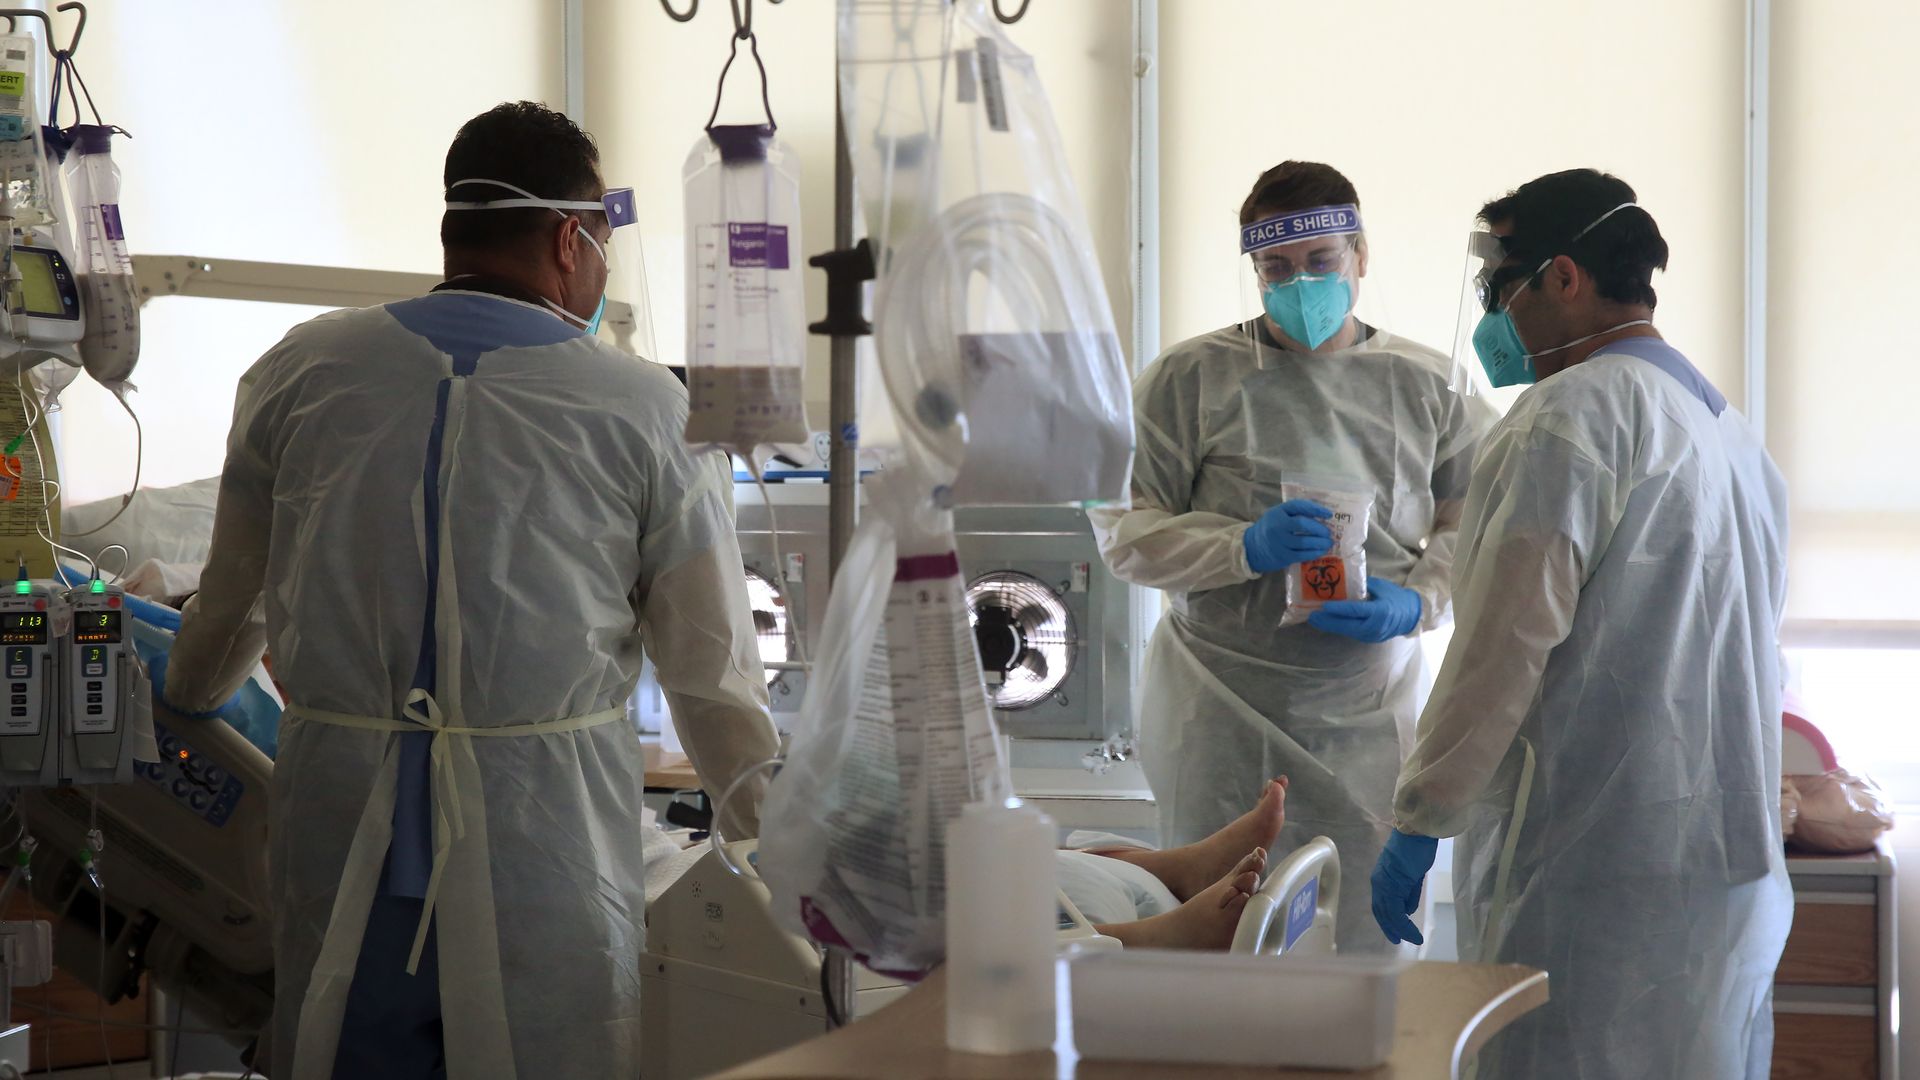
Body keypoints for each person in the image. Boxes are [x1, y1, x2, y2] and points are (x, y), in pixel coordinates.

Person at [162, 102, 782, 1079]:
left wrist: (187, 695)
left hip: (343, 821)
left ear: (454, 226)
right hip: (542, 843)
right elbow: (711, 674)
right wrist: (771, 852)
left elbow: (232, 601)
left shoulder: (301, 371)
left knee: (342, 1048)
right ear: (571, 238)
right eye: (606, 236)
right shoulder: (647, 408)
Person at [1370, 169, 1791, 1078]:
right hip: (1719, 856)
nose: (1494, 315)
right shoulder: (1726, 431)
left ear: (1563, 279)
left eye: (1500, 288)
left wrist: (1421, 815)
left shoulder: (1571, 415)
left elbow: (1503, 644)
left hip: (1592, 857)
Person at [1090, 162, 1496, 952]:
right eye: (1275, 268)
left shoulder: (1429, 386)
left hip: (1365, 715)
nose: (1298, 284)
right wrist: (1240, 544)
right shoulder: (1190, 380)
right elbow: (1124, 532)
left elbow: (1478, 524)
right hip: (1220, 707)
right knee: (1217, 931)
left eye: (1320, 262)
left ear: (1361, 257)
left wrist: (1419, 599)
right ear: (1253, 270)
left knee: (1356, 943)